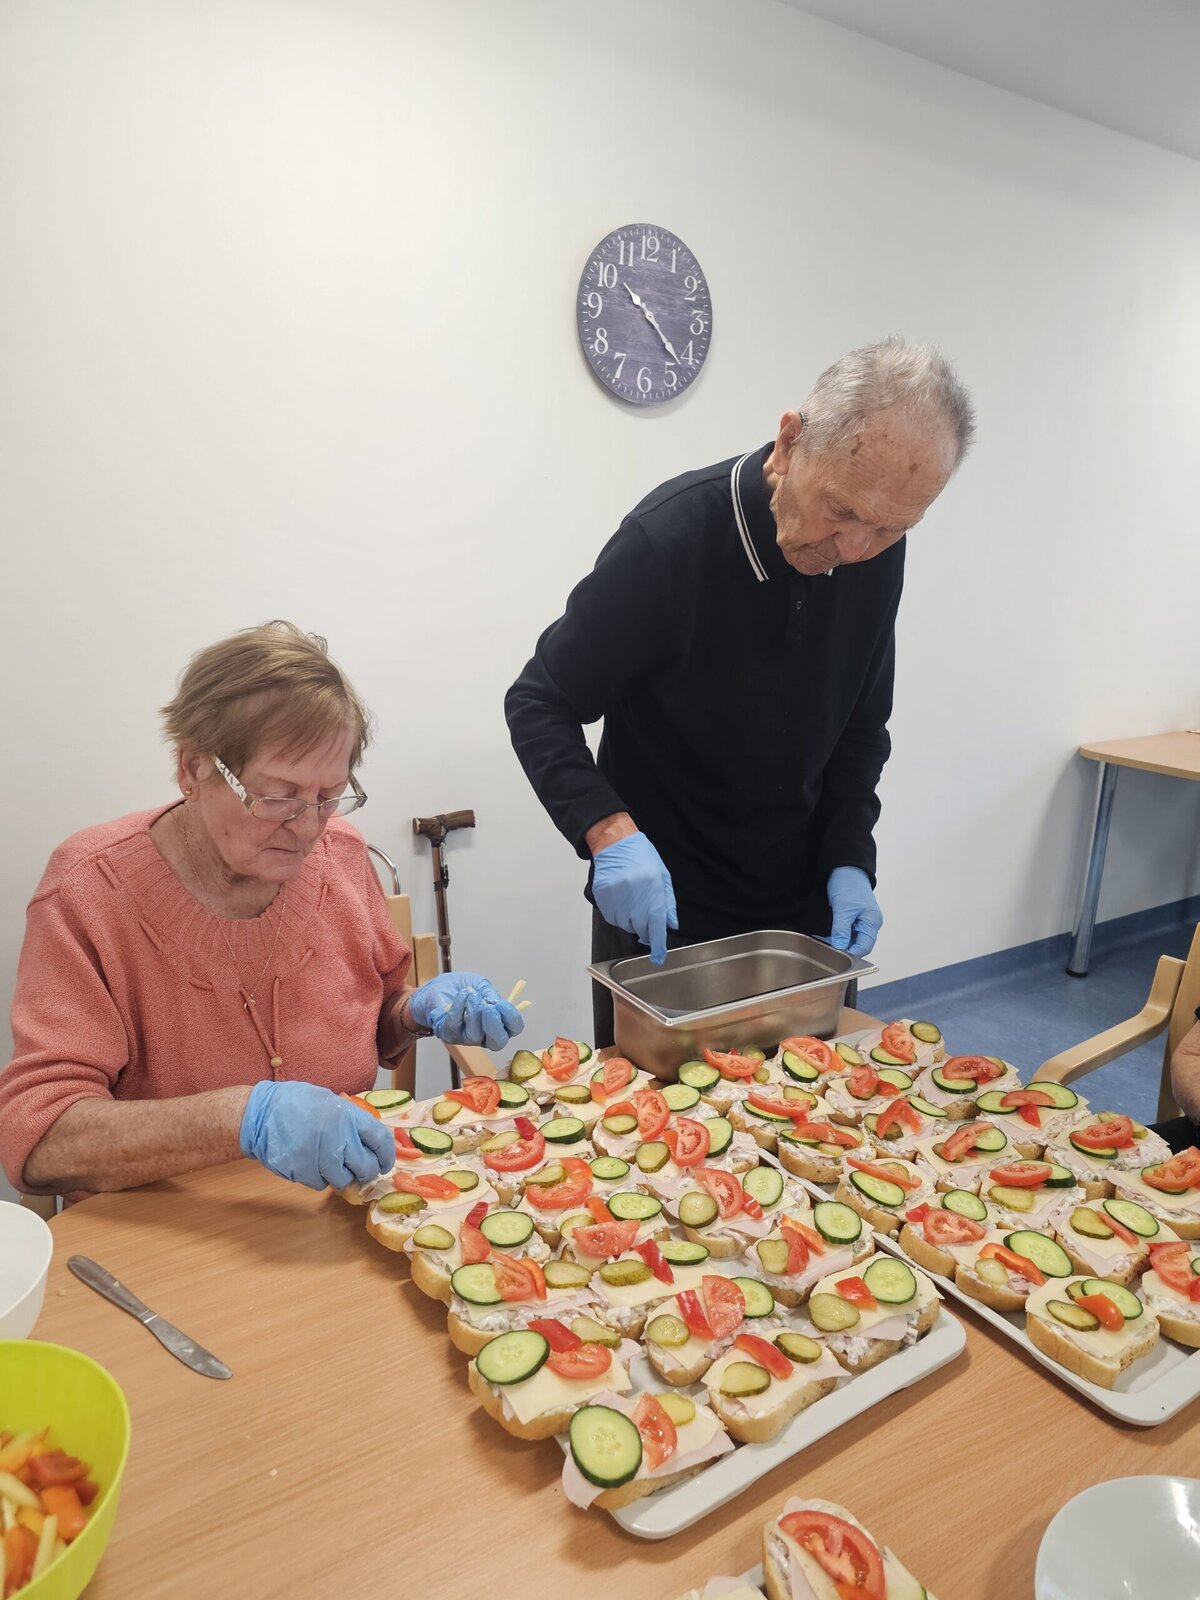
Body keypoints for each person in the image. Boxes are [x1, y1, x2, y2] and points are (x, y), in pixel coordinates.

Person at [506, 338, 974, 1044]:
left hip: (804, 920)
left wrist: (850, 858)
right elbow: (540, 700)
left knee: (818, 1101)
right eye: (842, 510)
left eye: (891, 528)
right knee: (654, 1110)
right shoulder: (669, 543)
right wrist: (607, 833)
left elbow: (859, 730)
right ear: (789, 443)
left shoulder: (875, 548)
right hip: (665, 914)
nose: (854, 550)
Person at [0, 622, 522, 1199]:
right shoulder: (90, 891)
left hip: (339, 1205)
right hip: (166, 1230)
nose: (307, 827)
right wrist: (240, 1119)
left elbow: (364, 1021)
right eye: (277, 796)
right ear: (192, 768)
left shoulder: (342, 856)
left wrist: (415, 1012)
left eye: (328, 796)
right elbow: (40, 1138)